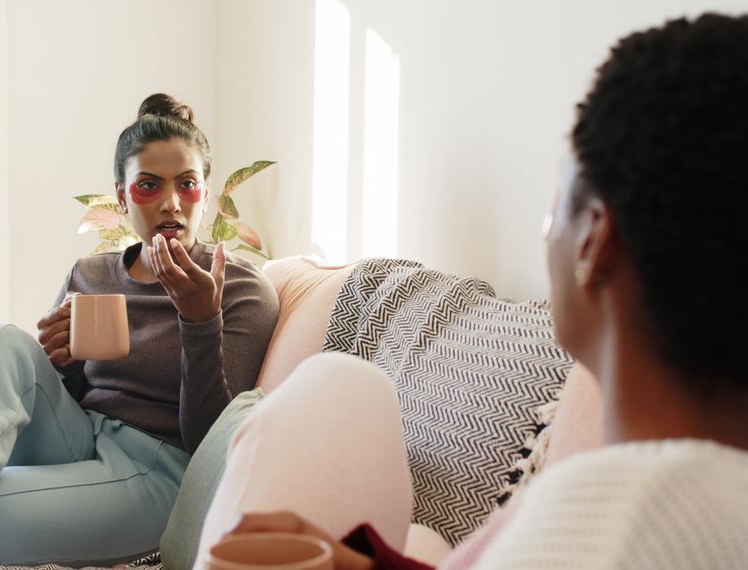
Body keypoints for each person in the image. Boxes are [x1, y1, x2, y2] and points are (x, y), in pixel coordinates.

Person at [202, 13, 748, 570]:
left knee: (339, 383)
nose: (546, 232)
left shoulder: (602, 525)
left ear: (593, 243)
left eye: (555, 205)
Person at [0, 93, 280, 569]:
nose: (171, 203)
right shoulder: (90, 274)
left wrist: (200, 323)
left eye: (187, 184)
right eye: (148, 185)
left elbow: (211, 445)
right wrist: (63, 364)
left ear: (206, 192)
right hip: (80, 439)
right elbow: (68, 395)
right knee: (2, 340)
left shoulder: (241, 290)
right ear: (121, 196)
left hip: (160, 470)